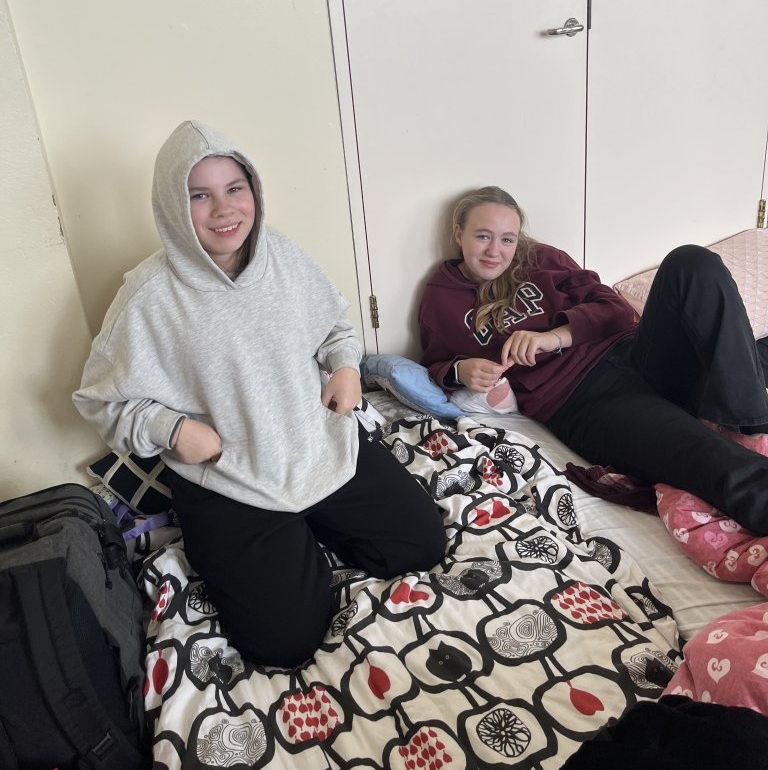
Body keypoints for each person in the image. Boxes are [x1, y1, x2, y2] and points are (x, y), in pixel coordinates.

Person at [74, 120, 445, 668]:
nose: (224, 209)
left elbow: (334, 326)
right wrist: (172, 430)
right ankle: (290, 543)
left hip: (317, 449)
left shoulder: (284, 256)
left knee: (421, 547)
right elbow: (99, 401)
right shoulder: (146, 298)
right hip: (229, 480)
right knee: (283, 644)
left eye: (235, 188)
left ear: (254, 190)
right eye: (200, 195)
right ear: (173, 205)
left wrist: (344, 366)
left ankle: (309, 526)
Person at [418, 185, 768, 535]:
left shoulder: (541, 259)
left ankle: (753, 425)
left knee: (691, 261)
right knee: (706, 456)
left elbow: (615, 309)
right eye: (482, 236)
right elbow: (435, 364)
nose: (495, 251)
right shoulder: (441, 297)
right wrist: (460, 370)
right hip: (583, 401)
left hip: (635, 353)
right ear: (459, 233)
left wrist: (553, 336)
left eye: (507, 239)